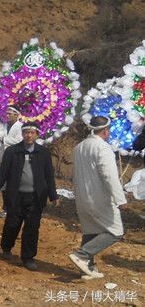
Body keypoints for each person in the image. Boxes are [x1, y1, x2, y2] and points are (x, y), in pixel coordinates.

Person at [0, 122, 58, 271]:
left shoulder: (43, 153)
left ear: (37, 135)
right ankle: (6, 247)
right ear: (22, 134)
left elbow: (49, 175)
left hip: (36, 197)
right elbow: (4, 172)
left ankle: (28, 257)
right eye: (26, 132)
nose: (29, 135)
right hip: (15, 196)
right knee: (12, 223)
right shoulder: (13, 152)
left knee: (32, 227)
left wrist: (53, 195)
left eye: (32, 132)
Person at [69, 116, 127, 280]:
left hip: (83, 197)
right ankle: (82, 254)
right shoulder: (102, 147)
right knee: (116, 231)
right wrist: (120, 199)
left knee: (91, 230)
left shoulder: (79, 147)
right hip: (100, 198)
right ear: (106, 131)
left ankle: (88, 268)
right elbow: (109, 176)